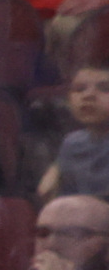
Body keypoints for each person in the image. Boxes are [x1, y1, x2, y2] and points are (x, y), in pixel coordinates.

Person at [43, 62, 109, 202]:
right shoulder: (72, 143)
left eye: (105, 89)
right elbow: (47, 191)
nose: (88, 96)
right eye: (79, 89)